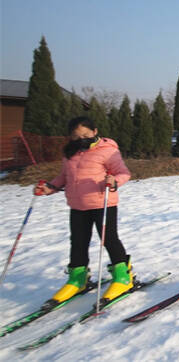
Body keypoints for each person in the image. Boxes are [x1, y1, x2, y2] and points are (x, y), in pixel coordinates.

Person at [33, 116, 134, 304]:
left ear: (95, 132)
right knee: (78, 241)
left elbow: (124, 173)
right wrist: (49, 187)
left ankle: (123, 276)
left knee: (109, 239)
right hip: (77, 204)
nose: (81, 140)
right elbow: (64, 177)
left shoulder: (107, 150)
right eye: (76, 137)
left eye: (86, 135)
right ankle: (77, 279)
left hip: (102, 202)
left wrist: (114, 181)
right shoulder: (70, 152)